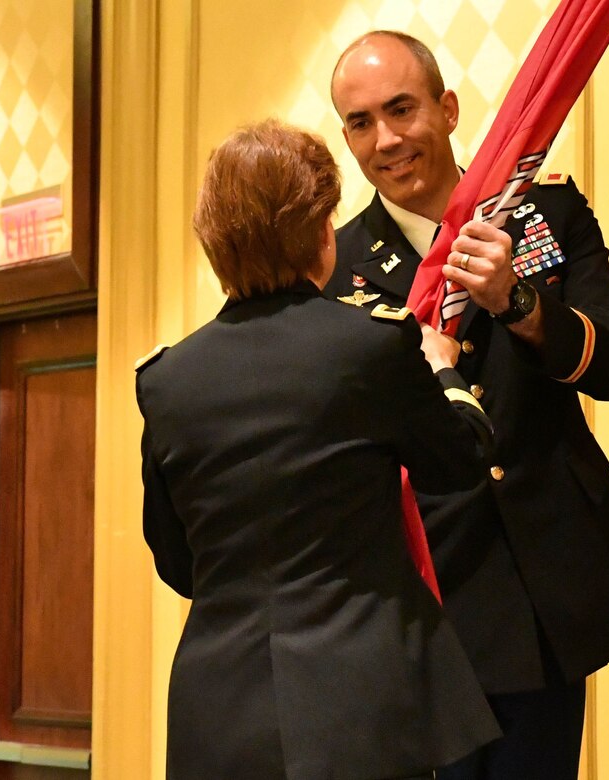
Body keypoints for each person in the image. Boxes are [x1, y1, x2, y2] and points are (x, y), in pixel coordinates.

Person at [326, 31, 609, 780]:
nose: (384, 139)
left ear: (447, 109)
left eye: (402, 109)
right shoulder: (336, 267)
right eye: (359, 122)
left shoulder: (543, 213)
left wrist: (521, 305)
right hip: (424, 598)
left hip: (545, 581)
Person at [136, 119, 502, 780]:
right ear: (320, 235)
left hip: (215, 711)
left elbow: (175, 559)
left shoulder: (165, 381)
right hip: (359, 701)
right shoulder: (370, 346)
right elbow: (461, 461)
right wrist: (443, 368)